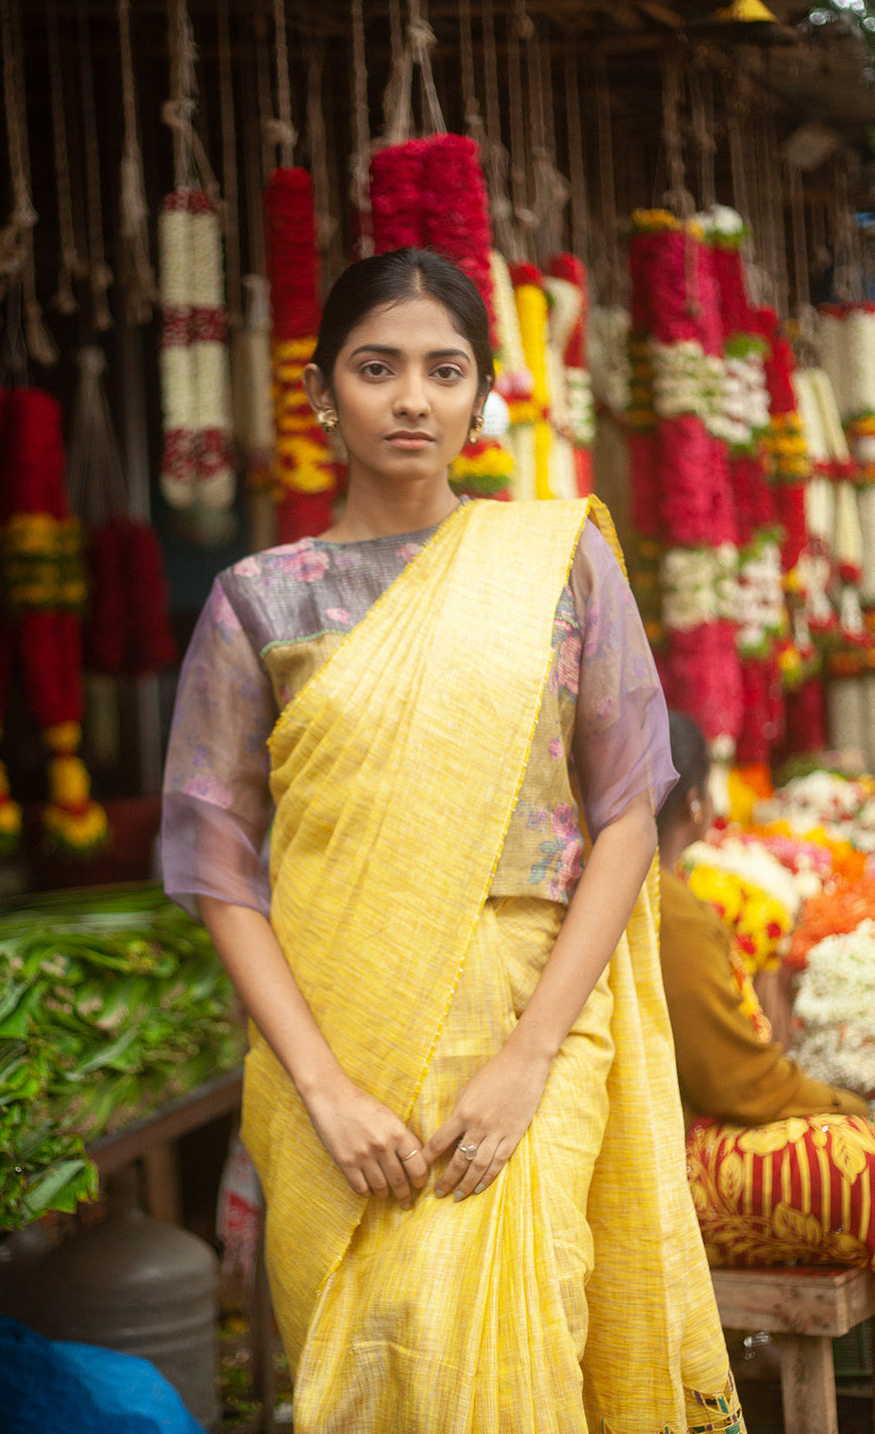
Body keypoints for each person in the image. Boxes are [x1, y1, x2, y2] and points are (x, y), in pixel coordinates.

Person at [163, 248, 743, 1433]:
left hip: (531, 1024)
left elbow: (628, 814)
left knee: (514, 1353)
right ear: (322, 391)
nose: (412, 398)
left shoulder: (559, 564)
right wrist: (323, 1091)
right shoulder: (260, 601)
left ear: (485, 396)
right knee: (387, 1359)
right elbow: (218, 866)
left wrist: (528, 1057)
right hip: (341, 1042)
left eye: (444, 369)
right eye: (377, 369)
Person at [659, 709, 875, 1270]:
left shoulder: (663, 897)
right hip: (673, 1162)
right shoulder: (670, 911)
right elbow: (738, 1084)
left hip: (674, 1138)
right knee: (857, 1158)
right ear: (697, 806)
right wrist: (848, 1108)